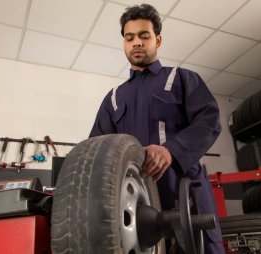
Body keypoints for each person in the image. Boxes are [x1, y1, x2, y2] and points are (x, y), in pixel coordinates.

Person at [89, 4, 224, 254]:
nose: (136, 42)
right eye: (129, 38)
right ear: (124, 43)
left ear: (158, 40)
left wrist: (170, 151)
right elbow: (97, 149)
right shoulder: (114, 98)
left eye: (144, 35)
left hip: (185, 193)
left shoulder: (182, 79)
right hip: (134, 202)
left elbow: (209, 121)